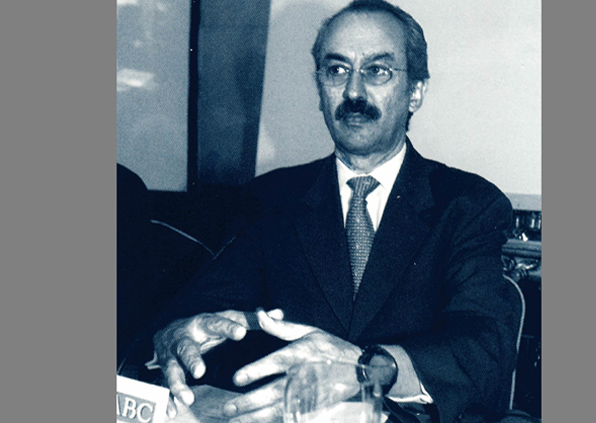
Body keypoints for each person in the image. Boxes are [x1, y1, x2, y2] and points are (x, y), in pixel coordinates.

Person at [149, 1, 522, 423]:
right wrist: (177, 335)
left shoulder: (468, 204)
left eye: (377, 70)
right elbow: (199, 310)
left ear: (415, 91)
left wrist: (368, 370)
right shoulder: (271, 198)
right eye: (337, 70)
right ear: (320, 89)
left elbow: (484, 350)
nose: (354, 92)